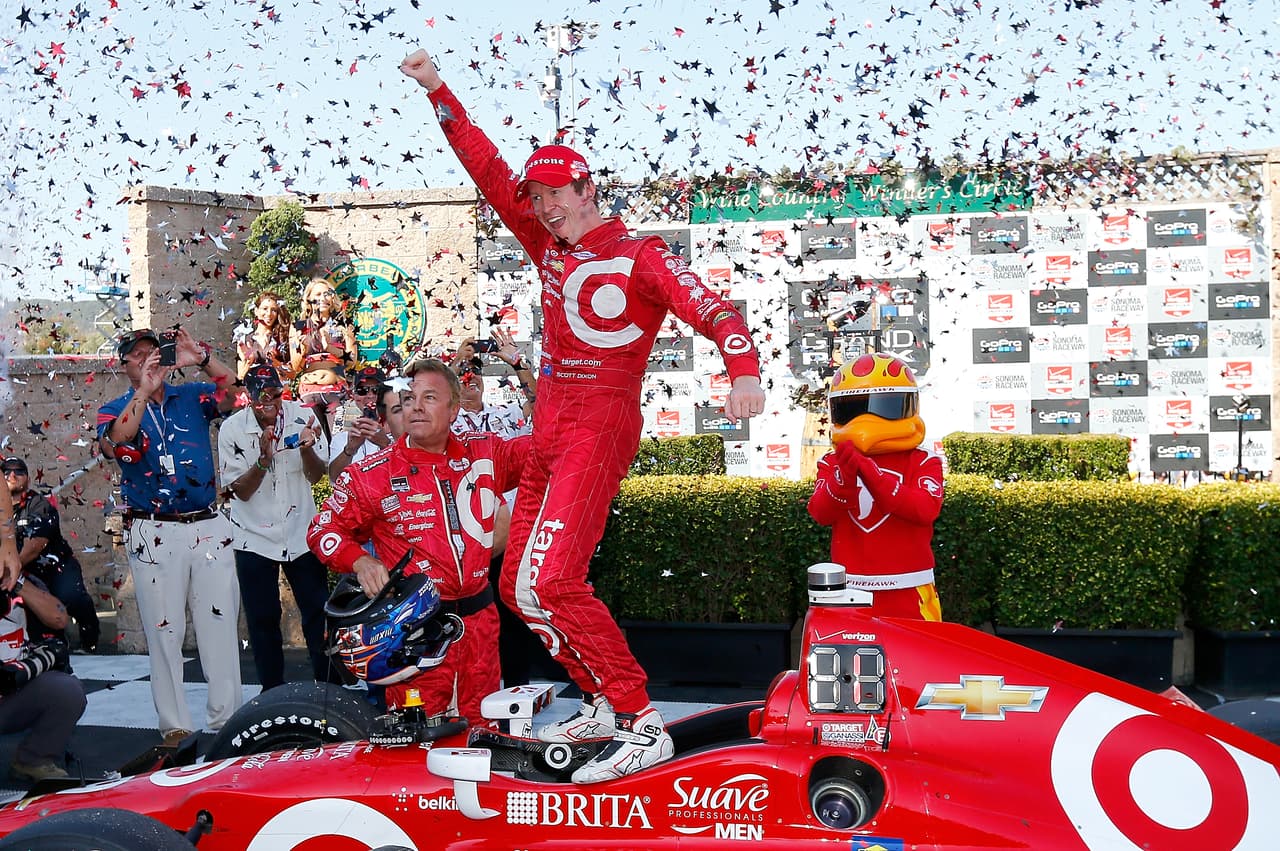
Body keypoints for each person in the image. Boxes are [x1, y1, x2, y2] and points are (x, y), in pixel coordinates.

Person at [401, 49, 766, 783]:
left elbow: (712, 306)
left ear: (587, 187)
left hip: (598, 429)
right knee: (519, 588)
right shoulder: (543, 242)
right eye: (536, 198)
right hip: (549, 431)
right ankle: (601, 695)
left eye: (555, 194)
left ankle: (639, 718)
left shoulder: (640, 255)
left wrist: (745, 369)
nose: (543, 207)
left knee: (557, 579)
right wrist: (440, 92)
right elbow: (486, 169)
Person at [307, 357, 529, 727]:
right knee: (421, 743)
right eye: (409, 399)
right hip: (416, 635)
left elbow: (543, 451)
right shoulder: (371, 474)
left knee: (482, 736)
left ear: (454, 408)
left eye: (429, 397)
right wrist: (361, 561)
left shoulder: (485, 451)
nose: (416, 407)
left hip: (480, 628)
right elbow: (322, 531)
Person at [96, 327, 243, 745]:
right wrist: (144, 393)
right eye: (137, 355)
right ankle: (175, 726)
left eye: (152, 351)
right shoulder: (114, 408)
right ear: (125, 366)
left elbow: (237, 395)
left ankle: (226, 720)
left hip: (207, 523)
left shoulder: (193, 394)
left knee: (219, 623)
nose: (148, 359)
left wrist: (201, 357)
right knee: (165, 631)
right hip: (153, 527)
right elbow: (118, 443)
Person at [219, 364, 335, 692]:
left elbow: (316, 476)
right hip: (253, 537)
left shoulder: (304, 417)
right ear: (249, 397)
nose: (270, 401)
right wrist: (262, 460)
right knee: (262, 619)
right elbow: (239, 490)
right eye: (262, 396)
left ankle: (328, 688)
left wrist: (308, 449)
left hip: (300, 533)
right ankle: (272, 691)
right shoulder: (232, 430)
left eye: (276, 394)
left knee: (317, 613)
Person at [807, 352, 945, 621]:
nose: (867, 419)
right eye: (855, 408)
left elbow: (924, 509)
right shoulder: (832, 461)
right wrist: (843, 479)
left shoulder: (923, 459)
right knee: (852, 662)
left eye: (882, 406)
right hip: (849, 590)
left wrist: (874, 476)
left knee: (917, 660)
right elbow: (820, 513)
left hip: (910, 588)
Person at [0, 482, 87, 783]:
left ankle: (33, 759)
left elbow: (59, 619)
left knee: (67, 691)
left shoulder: (19, 581)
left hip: (11, 690)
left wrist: (17, 581)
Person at [4, 456, 100, 652]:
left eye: (19, 471)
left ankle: (90, 637)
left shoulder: (39, 504)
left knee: (72, 597)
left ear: (28, 479)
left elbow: (35, 545)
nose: (12, 475)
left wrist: (10, 571)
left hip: (56, 565)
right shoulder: (1, 509)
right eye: (6, 471)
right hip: (24, 569)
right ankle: (46, 644)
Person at [290, 278, 357, 442]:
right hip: (309, 393)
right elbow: (295, 366)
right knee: (314, 443)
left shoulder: (344, 325)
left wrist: (329, 347)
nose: (323, 298)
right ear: (309, 299)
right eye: (318, 294)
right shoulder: (298, 326)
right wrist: (303, 347)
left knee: (344, 441)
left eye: (327, 294)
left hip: (338, 392)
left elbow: (352, 361)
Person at [451, 330, 537, 434]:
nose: (471, 375)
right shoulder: (446, 419)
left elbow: (537, 404)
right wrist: (456, 363)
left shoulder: (506, 413)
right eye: (463, 371)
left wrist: (516, 362)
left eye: (476, 370)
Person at [327, 366, 393, 479]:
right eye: (362, 391)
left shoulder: (405, 431)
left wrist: (386, 444)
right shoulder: (342, 438)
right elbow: (334, 478)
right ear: (354, 396)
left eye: (377, 390)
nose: (370, 395)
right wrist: (350, 449)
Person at [235, 291, 294, 382]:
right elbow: (240, 377)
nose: (269, 313)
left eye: (273, 310)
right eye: (265, 309)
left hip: (277, 392)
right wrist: (248, 363)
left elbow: (292, 374)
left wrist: (275, 361)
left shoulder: (282, 338)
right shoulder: (245, 341)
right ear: (256, 311)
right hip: (253, 391)